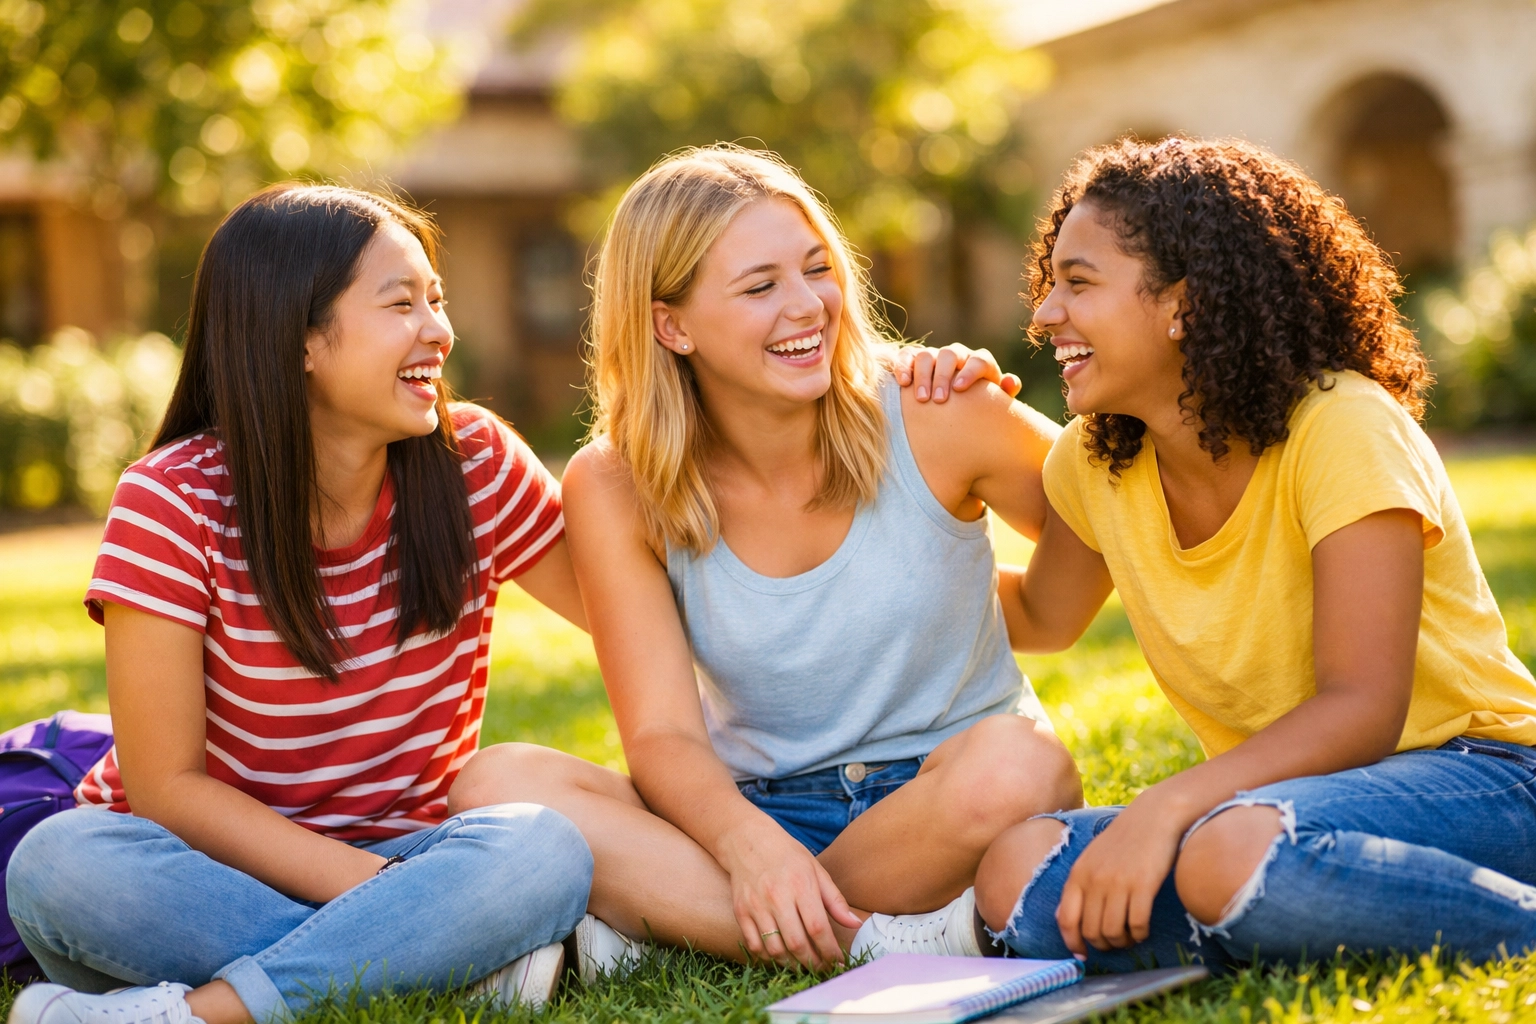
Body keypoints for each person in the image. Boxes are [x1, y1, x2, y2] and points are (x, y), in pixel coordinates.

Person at [445, 145, 1083, 972]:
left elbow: (1091, 541)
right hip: (754, 810)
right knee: (496, 783)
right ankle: (869, 938)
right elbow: (665, 733)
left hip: (947, 794)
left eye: (817, 268)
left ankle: (687, 925)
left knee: (1021, 767)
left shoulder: (937, 407)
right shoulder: (616, 483)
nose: (807, 306)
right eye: (759, 287)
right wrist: (750, 847)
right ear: (670, 325)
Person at [4, 185, 597, 1024]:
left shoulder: (476, 467)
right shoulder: (172, 500)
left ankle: (198, 1015)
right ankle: (449, 966)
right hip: (200, 869)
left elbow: (631, 624)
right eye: (402, 304)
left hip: (415, 849)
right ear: (300, 339)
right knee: (56, 864)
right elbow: (168, 788)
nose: (440, 330)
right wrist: (395, 906)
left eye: (437, 299)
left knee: (541, 847)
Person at [956, 136, 1536, 968]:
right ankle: (1261, 907)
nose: (1045, 313)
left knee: (1225, 851)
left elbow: (1363, 707)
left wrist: (1163, 813)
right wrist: (873, 559)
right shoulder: (1096, 459)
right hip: (1267, 811)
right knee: (1020, 871)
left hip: (1484, 777)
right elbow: (1042, 615)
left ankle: (1262, 896)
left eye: (1078, 284)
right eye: (1050, 286)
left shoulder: (1343, 426)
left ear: (1182, 303)